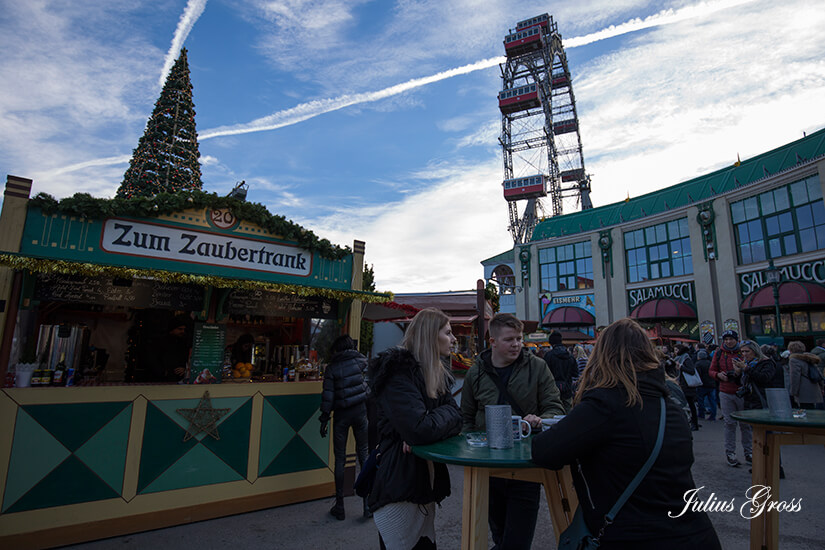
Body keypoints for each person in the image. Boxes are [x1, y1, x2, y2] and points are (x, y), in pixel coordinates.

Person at [531, 318, 721, 550]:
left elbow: (544, 451)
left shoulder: (606, 403)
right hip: (694, 533)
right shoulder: (668, 403)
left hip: (635, 536)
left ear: (603, 355)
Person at [461, 313, 564, 550]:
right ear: (493, 341)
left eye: (519, 338)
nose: (517, 344)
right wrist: (469, 453)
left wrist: (540, 419)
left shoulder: (537, 367)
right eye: (509, 339)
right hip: (487, 467)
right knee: (499, 536)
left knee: (517, 542)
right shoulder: (475, 373)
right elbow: (465, 418)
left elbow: (554, 407)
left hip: (525, 464)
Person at [367, 308, 462, 550]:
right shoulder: (398, 373)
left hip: (424, 484)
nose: (454, 339)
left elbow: (457, 418)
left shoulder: (434, 375)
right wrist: (426, 426)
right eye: (448, 333)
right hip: (399, 485)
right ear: (431, 335)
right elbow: (420, 429)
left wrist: (429, 423)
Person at [318, 335, 370, 521]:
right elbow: (368, 383)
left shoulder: (332, 368)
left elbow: (328, 396)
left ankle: (340, 505)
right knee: (363, 454)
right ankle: (367, 503)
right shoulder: (361, 361)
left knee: (340, 458)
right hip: (360, 412)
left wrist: (324, 418)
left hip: (341, 415)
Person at [708, 329, 751, 467]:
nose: (728, 341)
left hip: (742, 391)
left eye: (730, 339)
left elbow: (752, 367)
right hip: (725, 391)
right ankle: (730, 452)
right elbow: (712, 370)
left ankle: (748, 452)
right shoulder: (719, 353)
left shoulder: (743, 352)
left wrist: (741, 370)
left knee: (745, 424)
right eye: (726, 339)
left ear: (736, 339)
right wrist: (718, 375)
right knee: (729, 423)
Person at [147, 314, 191, 382]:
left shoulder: (183, 342)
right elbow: (152, 358)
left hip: (177, 379)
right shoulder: (160, 341)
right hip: (160, 379)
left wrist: (183, 368)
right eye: (180, 329)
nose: (182, 331)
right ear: (172, 329)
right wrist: (162, 372)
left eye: (184, 329)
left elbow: (185, 357)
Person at [543, 330, 577, 413]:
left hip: (552, 389)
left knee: (554, 411)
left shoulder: (549, 356)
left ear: (551, 343)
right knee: (568, 412)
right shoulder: (570, 356)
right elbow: (575, 373)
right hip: (567, 388)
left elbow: (544, 374)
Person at [787, 340, 824, 409]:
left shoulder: (794, 360)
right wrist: (821, 388)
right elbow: (819, 374)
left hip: (803, 391)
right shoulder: (809, 358)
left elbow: (795, 377)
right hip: (815, 389)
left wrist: (793, 392)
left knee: (805, 412)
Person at [674, 344, 700, 431]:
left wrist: (681, 366)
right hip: (683, 384)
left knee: (690, 405)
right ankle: (691, 422)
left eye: (676, 350)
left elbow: (691, 371)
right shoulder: (680, 358)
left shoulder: (686, 359)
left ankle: (694, 423)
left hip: (688, 386)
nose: (675, 352)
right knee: (688, 405)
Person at [694, 349, 717, 421]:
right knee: (712, 401)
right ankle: (713, 415)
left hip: (702, 385)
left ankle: (701, 414)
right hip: (712, 384)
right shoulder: (710, 363)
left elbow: (698, 375)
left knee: (701, 401)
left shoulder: (698, 364)